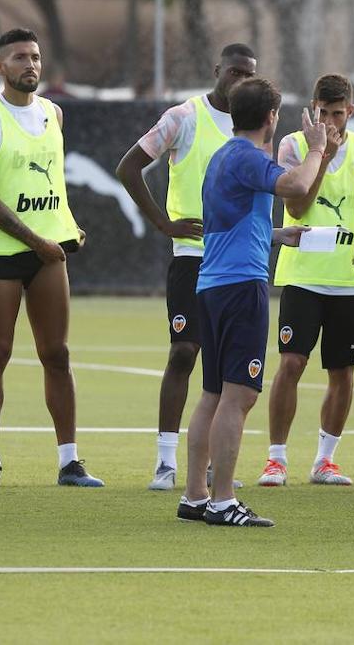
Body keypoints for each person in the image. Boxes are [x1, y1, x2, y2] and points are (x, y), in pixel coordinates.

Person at [176, 77, 323, 527]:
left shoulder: (221, 156)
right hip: (242, 287)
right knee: (239, 397)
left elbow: (229, 221)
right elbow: (297, 187)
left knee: (213, 393)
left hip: (213, 283)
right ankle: (223, 502)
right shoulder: (248, 157)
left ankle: (195, 496)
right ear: (271, 117)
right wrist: (317, 148)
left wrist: (276, 235)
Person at [259, 73, 354, 487]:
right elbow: (295, 208)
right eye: (322, 112)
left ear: (351, 111)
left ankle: (325, 460)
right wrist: (323, 157)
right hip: (304, 275)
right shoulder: (294, 145)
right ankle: (276, 459)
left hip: (350, 280)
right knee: (291, 362)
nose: (328, 122)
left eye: (337, 113)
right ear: (313, 108)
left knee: (343, 371)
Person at [114, 43, 258, 490]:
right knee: (184, 352)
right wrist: (163, 223)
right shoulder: (184, 116)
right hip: (192, 258)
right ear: (217, 70)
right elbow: (129, 167)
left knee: (223, 369)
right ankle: (164, 460)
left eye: (247, 76)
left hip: (234, 262)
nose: (238, 81)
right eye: (233, 72)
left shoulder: (252, 129)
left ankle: (212, 463)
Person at [0, 28, 100, 488]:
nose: (31, 64)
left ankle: (69, 461)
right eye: (19, 57)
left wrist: (67, 225)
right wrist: (36, 242)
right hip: (3, 252)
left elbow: (50, 183)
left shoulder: (53, 113)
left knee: (57, 353)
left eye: (36, 56)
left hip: (49, 251)